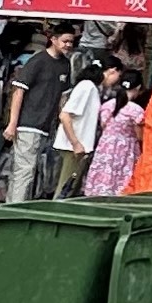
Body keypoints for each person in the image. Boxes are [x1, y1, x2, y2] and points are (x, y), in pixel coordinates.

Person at [2, 25, 75, 202]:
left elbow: (62, 98)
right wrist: (13, 123)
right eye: (65, 41)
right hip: (29, 123)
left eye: (71, 42)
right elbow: (18, 91)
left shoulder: (65, 64)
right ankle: (15, 211)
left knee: (29, 171)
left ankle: (14, 206)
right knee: (25, 170)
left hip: (46, 125)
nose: (68, 45)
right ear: (54, 39)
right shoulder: (38, 61)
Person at [82, 67, 147, 198]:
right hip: (126, 149)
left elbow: (104, 125)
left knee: (103, 175)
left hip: (106, 146)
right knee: (122, 181)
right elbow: (140, 135)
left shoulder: (107, 105)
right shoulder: (136, 110)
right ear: (138, 87)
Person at [52, 56, 104, 199]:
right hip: (74, 146)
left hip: (77, 146)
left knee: (70, 187)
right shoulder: (87, 87)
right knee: (66, 187)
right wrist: (76, 143)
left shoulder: (87, 87)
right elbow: (65, 115)